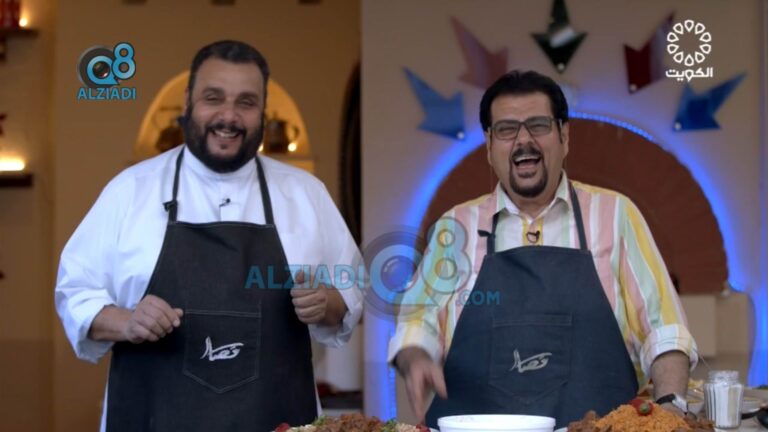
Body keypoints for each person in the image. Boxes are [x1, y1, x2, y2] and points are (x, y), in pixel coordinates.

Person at [55, 40, 363, 432]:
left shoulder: (306, 195)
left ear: (263, 111)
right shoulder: (129, 191)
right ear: (188, 102)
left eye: (246, 102)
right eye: (213, 98)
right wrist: (128, 321)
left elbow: (352, 286)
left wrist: (327, 302)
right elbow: (75, 291)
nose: (228, 116)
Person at [388, 70, 697, 429]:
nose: (524, 140)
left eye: (538, 125)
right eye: (507, 129)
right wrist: (415, 356)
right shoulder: (453, 227)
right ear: (489, 146)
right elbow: (417, 322)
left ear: (564, 136)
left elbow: (665, 331)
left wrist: (670, 405)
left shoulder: (617, 215)